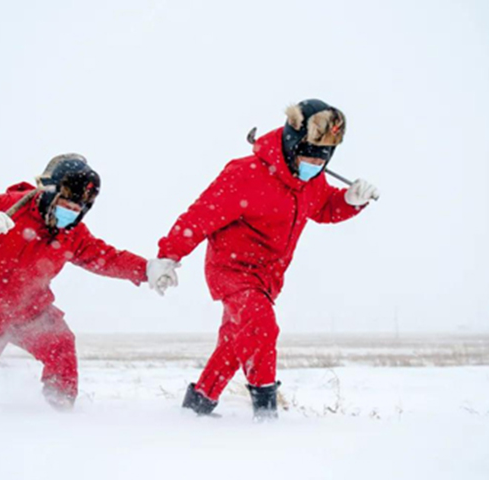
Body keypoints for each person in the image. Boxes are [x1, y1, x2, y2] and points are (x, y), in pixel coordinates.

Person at [151, 99, 379, 419]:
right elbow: (199, 217)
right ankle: (266, 415)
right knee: (260, 327)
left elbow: (325, 208)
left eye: (321, 159)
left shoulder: (311, 182)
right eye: (308, 156)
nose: (314, 165)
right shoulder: (244, 174)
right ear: (291, 144)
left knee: (235, 341)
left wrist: (350, 201)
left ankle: (197, 405)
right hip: (231, 269)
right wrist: (168, 256)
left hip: (269, 277)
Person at [0, 154, 176, 409]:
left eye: (77, 209)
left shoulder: (72, 234)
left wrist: (145, 269)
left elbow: (106, 257)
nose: (70, 213)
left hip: (31, 312)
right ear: (49, 193)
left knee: (61, 346)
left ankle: (59, 412)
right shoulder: (7, 206)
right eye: (66, 204)